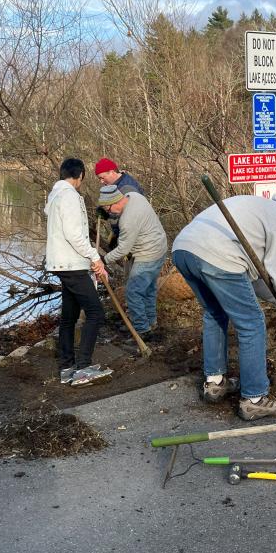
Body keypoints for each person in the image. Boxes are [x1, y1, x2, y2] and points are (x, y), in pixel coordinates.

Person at [172, 191, 276, 421]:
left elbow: (259, 281)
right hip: (218, 254)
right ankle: (254, 399)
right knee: (252, 323)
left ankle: (215, 384)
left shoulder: (265, 210)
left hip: (184, 248)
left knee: (215, 314)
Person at [44, 158, 113, 386]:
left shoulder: (55, 195)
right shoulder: (70, 197)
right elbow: (75, 234)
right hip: (72, 264)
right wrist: (95, 257)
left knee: (69, 316)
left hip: (61, 263)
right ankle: (83, 368)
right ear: (80, 175)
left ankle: (67, 366)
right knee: (95, 313)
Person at [97, 184, 167, 337]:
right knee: (148, 289)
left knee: (133, 292)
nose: (110, 214)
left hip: (148, 254)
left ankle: (143, 331)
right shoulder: (134, 197)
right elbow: (117, 214)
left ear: (114, 202)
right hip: (160, 247)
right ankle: (151, 322)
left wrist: (103, 260)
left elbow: (123, 249)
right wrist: (107, 214)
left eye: (108, 210)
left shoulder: (128, 220)